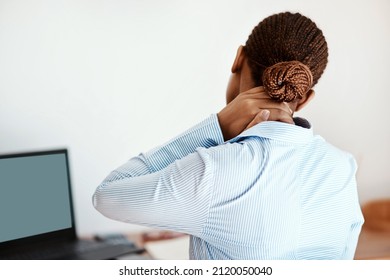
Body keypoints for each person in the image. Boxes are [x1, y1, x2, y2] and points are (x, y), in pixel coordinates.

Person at [93, 12, 364, 259]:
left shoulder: (216, 170)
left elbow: (107, 195)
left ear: (238, 59)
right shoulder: (342, 169)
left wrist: (218, 126)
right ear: (304, 98)